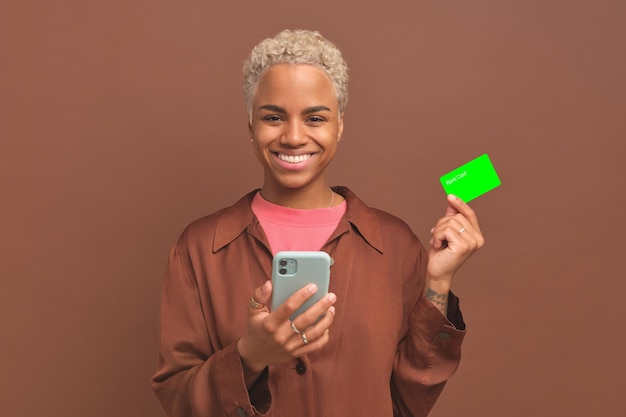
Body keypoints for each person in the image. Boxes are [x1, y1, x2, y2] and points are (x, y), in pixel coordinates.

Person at [151, 29, 485, 417]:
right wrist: (249, 356)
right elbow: (177, 398)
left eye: (315, 117)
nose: (293, 136)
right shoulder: (198, 248)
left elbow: (409, 401)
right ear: (250, 125)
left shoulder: (395, 245)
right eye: (273, 116)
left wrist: (439, 285)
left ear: (339, 125)